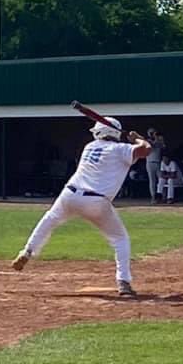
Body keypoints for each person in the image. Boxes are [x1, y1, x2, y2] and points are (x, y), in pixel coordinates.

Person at [12, 116, 151, 297]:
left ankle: (27, 251)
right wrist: (139, 138)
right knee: (120, 238)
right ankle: (123, 282)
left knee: (49, 219)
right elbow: (146, 150)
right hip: (97, 201)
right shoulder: (120, 149)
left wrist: (132, 142)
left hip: (69, 194)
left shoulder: (90, 147)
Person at [146, 127, 165, 203]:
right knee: (152, 181)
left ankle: (163, 197)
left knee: (161, 180)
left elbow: (163, 146)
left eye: (154, 132)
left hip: (158, 163)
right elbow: (152, 145)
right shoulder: (147, 140)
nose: (153, 134)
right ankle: (153, 197)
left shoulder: (159, 140)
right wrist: (155, 138)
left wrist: (158, 138)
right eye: (151, 133)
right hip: (150, 162)